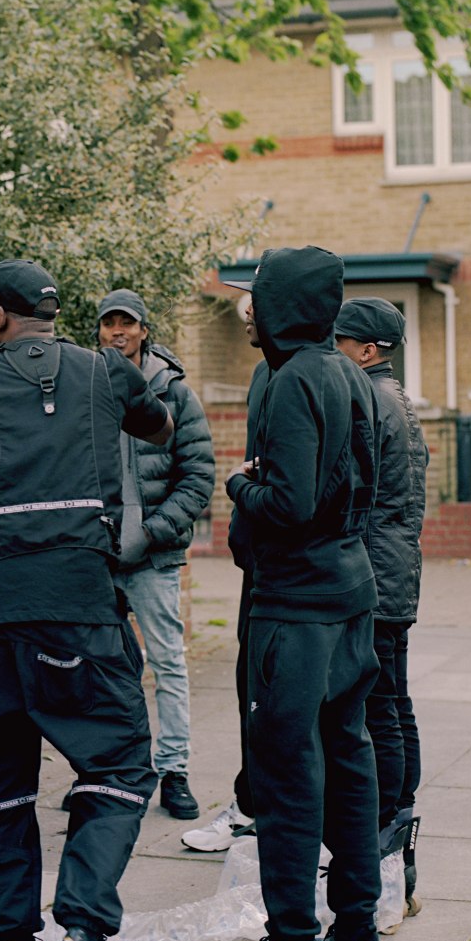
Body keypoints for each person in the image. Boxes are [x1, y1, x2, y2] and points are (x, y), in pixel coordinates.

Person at [0, 260, 172, 941]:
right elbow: (158, 425)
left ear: (1, 316)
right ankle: (85, 934)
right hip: (78, 606)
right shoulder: (105, 371)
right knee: (120, 761)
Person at [211, 245, 380, 941]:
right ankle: (359, 934)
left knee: (287, 770)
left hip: (295, 605)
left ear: (280, 307)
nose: (249, 314)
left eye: (258, 300)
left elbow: (289, 504)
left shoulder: (290, 382)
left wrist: (238, 485)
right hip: (350, 596)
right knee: (348, 759)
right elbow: (357, 488)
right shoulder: (350, 374)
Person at [97, 290, 216, 821]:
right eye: (108, 323)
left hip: (153, 556)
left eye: (128, 323)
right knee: (103, 668)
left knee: (168, 662)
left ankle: (174, 771)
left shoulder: (174, 393)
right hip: (97, 557)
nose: (118, 331)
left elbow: (199, 477)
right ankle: (110, 771)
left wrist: (152, 530)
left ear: (145, 330)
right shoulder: (86, 385)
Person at [335, 296, 429, 915]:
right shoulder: (394, 397)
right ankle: (399, 842)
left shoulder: (371, 399)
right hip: (394, 571)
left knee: (380, 708)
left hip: (376, 574)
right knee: (393, 701)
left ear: (367, 351)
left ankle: (387, 837)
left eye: (340, 342)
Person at [183, 294, 266, 852]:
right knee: (249, 691)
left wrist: (239, 487)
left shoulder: (307, 380)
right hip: (262, 567)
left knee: (276, 700)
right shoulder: (264, 376)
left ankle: (265, 811)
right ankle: (253, 803)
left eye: (253, 316)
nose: (247, 326)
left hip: (298, 580)